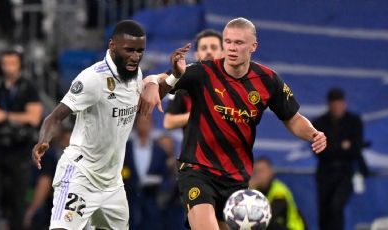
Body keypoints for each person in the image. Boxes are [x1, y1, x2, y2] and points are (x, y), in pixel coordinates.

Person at [140, 17, 327, 230]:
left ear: (253, 46)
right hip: (198, 170)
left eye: (238, 43)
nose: (231, 48)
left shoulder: (267, 80)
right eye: (228, 42)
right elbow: (155, 81)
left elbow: (292, 118)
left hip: (236, 179)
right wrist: (165, 79)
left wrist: (313, 134)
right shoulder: (203, 72)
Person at [31, 20, 158, 229]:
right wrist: (43, 141)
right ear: (112, 46)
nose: (135, 57)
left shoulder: (135, 75)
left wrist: (159, 82)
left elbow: (142, 103)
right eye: (129, 50)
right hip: (81, 174)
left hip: (112, 184)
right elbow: (53, 117)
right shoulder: (93, 79)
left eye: (140, 51)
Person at [0, 50, 43, 230]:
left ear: (20, 65)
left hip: (20, 150)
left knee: (18, 200)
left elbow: (34, 117)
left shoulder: (28, 88)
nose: (8, 68)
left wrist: (5, 116)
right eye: (5, 63)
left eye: (12, 63)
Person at [312, 87, 369, 230]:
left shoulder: (354, 121)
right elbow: (320, 151)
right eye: (334, 104)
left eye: (340, 103)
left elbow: (356, 148)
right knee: (324, 211)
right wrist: (343, 145)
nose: (337, 107)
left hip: (345, 174)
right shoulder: (319, 123)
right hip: (325, 175)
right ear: (329, 105)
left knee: (336, 207)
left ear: (344, 104)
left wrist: (333, 146)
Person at [164, 29, 223, 130]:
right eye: (204, 48)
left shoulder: (234, 84)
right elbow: (168, 122)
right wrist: (201, 113)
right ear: (196, 55)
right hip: (193, 145)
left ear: (223, 53)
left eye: (214, 47)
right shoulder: (183, 84)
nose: (209, 51)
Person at [123, 115, 169, 230]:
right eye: (141, 122)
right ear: (136, 125)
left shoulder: (160, 151)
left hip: (152, 201)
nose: (144, 125)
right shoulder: (126, 149)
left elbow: (166, 176)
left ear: (152, 126)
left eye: (147, 123)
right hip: (129, 201)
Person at [249, 157, 305, 230]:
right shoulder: (255, 190)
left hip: (292, 228)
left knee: (264, 221)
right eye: (255, 172)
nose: (258, 175)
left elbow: (270, 214)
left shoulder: (279, 190)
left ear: (271, 172)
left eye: (261, 171)